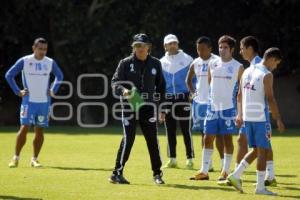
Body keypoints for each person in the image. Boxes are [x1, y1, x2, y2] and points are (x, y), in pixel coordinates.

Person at [227, 47, 285, 195]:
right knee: (263, 151)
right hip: (260, 118)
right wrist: (278, 118)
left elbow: (239, 95)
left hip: (248, 117)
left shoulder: (247, 71)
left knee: (255, 150)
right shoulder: (267, 74)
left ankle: (235, 175)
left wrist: (240, 114)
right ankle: (260, 188)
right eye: (276, 63)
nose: (275, 66)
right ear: (271, 59)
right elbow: (271, 98)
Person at [109, 33, 166, 185]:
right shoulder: (125, 63)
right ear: (133, 47)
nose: (139, 48)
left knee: (152, 141)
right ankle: (116, 174)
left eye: (142, 45)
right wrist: (123, 91)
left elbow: (161, 87)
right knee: (128, 139)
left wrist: (162, 109)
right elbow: (115, 83)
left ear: (149, 47)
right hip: (129, 106)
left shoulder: (156, 64)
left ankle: (157, 174)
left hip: (148, 108)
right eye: (136, 46)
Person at [5, 37, 63, 168]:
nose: (42, 52)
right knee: (24, 127)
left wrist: (53, 89)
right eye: (40, 49)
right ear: (34, 48)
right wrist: (17, 91)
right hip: (28, 102)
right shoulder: (25, 61)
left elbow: (60, 76)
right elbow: (9, 75)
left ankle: (34, 159)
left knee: (39, 130)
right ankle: (16, 157)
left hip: (44, 103)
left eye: (45, 49)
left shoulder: (50, 62)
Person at [195, 35, 244, 181]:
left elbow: (241, 92)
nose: (222, 50)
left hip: (228, 109)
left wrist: (240, 112)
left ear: (232, 49)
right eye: (220, 47)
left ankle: (225, 171)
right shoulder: (212, 64)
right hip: (212, 108)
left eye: (225, 47)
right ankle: (204, 171)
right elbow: (210, 83)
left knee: (227, 140)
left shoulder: (238, 67)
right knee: (207, 138)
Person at [236, 36, 277, 186]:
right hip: (250, 114)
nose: (240, 52)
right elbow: (241, 94)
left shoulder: (260, 66)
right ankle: (269, 176)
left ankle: (267, 176)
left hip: (258, 113)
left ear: (249, 48)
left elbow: (267, 94)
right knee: (259, 144)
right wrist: (240, 113)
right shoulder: (250, 67)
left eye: (241, 48)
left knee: (262, 144)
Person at [186, 36, 224, 177]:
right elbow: (188, 79)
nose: (200, 52)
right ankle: (207, 166)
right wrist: (192, 93)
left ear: (210, 48)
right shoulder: (195, 62)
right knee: (204, 134)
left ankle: (223, 165)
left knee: (219, 134)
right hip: (199, 104)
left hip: (214, 103)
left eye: (203, 49)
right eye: (198, 49)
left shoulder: (217, 61)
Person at [160, 34, 195, 169]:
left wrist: (193, 93)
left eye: (174, 43)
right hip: (168, 98)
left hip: (184, 97)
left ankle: (190, 158)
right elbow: (161, 85)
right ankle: (172, 159)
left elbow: (195, 79)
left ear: (178, 44)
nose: (172, 45)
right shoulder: (161, 62)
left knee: (186, 129)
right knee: (170, 129)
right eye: (169, 43)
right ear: (165, 46)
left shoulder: (187, 59)